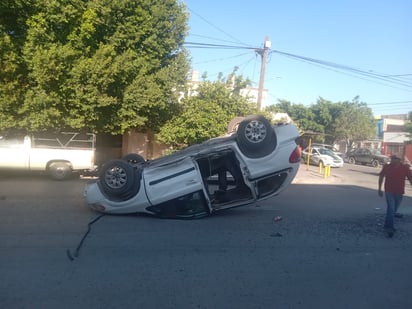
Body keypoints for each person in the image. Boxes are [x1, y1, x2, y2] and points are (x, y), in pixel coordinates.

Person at [378, 154, 412, 237]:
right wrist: (379, 189)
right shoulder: (386, 166)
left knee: (393, 210)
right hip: (389, 191)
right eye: (392, 158)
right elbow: (381, 176)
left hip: (399, 192)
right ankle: (390, 228)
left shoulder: (405, 168)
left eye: (394, 159)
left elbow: (411, 179)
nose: (392, 160)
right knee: (391, 208)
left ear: (399, 160)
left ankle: (387, 225)